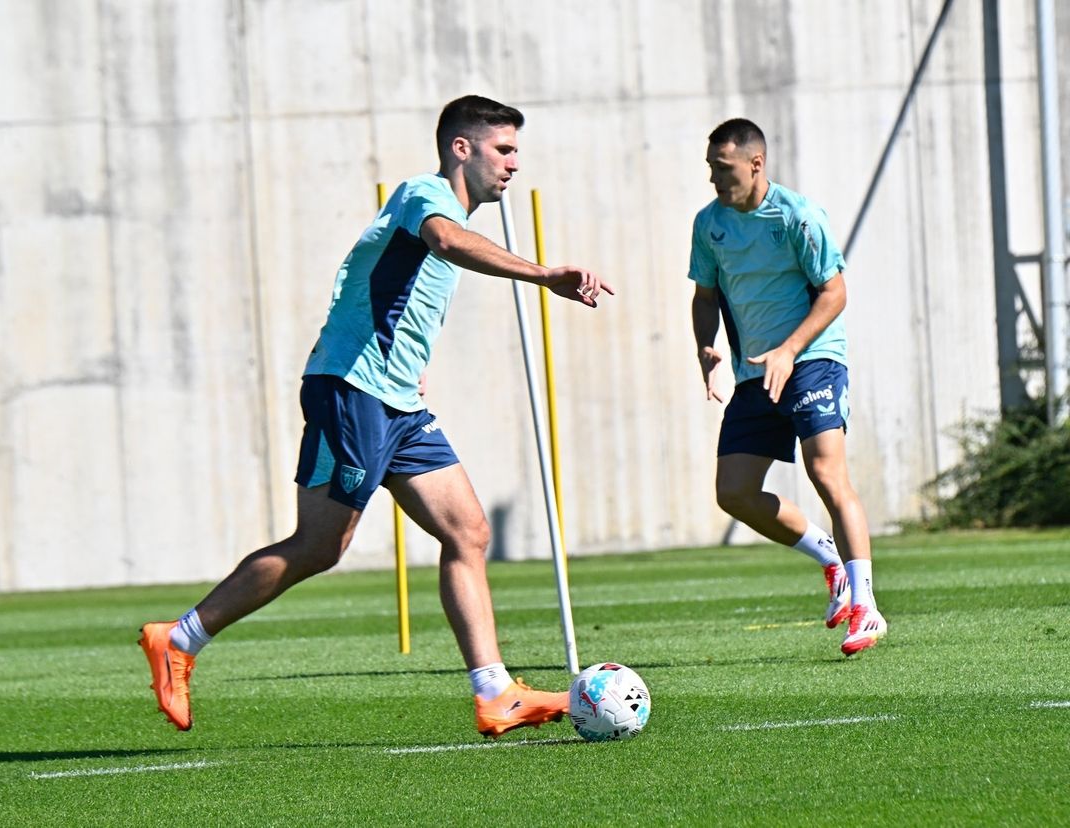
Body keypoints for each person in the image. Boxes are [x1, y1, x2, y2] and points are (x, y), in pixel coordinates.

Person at [139, 95, 614, 736]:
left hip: (398, 402)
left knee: (468, 532)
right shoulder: (425, 196)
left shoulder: (451, 209)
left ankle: (495, 691)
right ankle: (181, 637)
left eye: (516, 152)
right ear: (461, 148)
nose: (513, 164)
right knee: (320, 546)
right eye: (504, 150)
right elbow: (446, 242)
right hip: (352, 391)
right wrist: (541, 274)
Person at [688, 118, 887, 656]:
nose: (714, 180)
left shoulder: (798, 216)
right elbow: (705, 297)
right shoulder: (709, 224)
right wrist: (707, 349)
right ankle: (830, 561)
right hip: (757, 372)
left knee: (826, 472)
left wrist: (790, 349)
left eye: (722, 169)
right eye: (710, 169)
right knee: (733, 492)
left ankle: (867, 607)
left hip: (812, 360)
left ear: (756, 164)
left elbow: (834, 292)